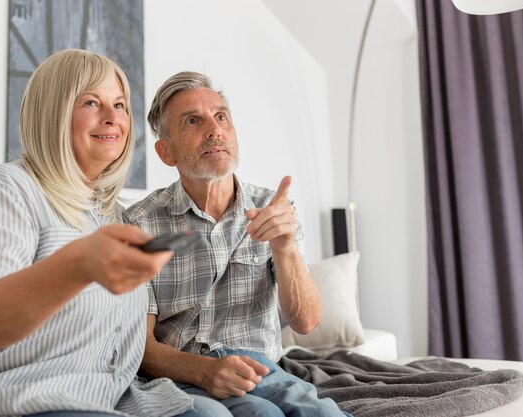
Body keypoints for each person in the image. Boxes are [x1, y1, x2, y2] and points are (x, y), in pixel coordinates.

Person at [0, 50, 217, 417]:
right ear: (54, 111)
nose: (113, 118)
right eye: (92, 102)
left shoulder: (118, 218)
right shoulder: (8, 188)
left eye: (121, 105)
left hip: (107, 398)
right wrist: (78, 265)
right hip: (8, 401)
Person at [123, 72, 352, 417]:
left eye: (221, 116)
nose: (214, 129)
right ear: (166, 151)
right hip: (184, 373)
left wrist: (285, 246)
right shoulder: (140, 223)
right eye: (192, 121)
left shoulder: (273, 209)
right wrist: (205, 371)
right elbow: (141, 348)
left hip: (264, 370)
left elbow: (305, 322)